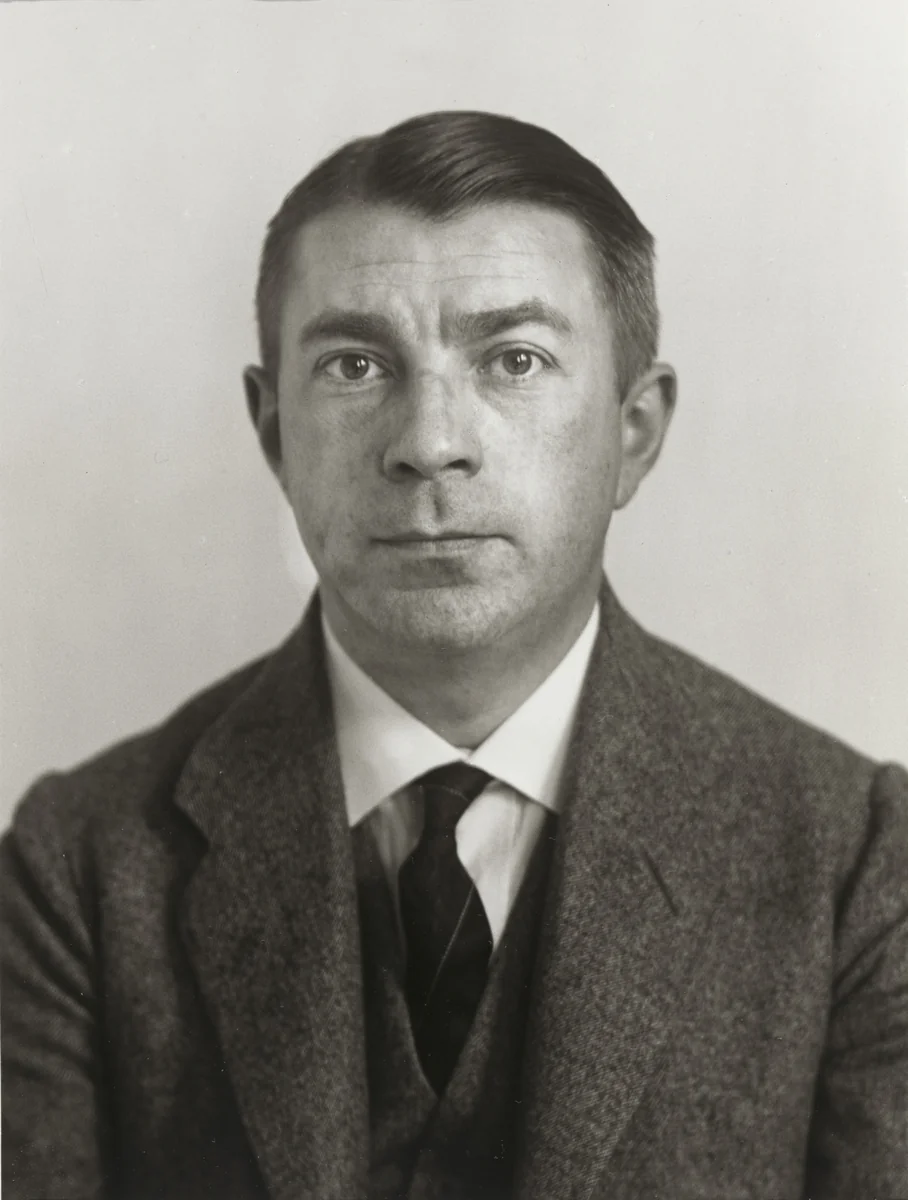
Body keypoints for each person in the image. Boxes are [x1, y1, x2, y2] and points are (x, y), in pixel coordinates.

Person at [2, 110, 906, 1200]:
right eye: (352, 364)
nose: (429, 441)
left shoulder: (853, 862)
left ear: (634, 430)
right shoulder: (79, 871)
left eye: (513, 360)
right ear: (275, 432)